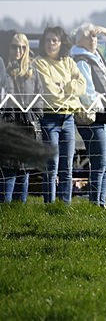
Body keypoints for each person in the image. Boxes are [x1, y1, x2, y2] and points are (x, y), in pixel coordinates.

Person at [70, 23, 106, 208]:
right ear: (81, 40)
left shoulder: (97, 54)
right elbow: (87, 91)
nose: (95, 39)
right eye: (91, 36)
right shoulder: (81, 59)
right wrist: (104, 104)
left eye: (95, 36)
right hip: (94, 115)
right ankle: (95, 203)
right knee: (99, 162)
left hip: (105, 114)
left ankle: (101, 202)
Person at [34, 25, 86, 204]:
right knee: (52, 164)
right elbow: (50, 92)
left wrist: (65, 86)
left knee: (67, 165)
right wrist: (69, 89)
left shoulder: (69, 62)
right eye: (47, 40)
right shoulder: (39, 62)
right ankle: (50, 203)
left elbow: (82, 85)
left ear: (61, 42)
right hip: (50, 119)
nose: (50, 44)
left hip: (69, 119)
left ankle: (65, 204)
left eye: (54, 40)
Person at [1, 34, 44, 203]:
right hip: (9, 127)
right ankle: (6, 209)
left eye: (22, 47)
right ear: (9, 47)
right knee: (8, 170)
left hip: (28, 127)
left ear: (27, 49)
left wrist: (33, 115)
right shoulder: (3, 70)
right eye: (14, 46)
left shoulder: (33, 72)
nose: (18, 50)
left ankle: (21, 210)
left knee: (24, 172)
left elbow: (39, 97)